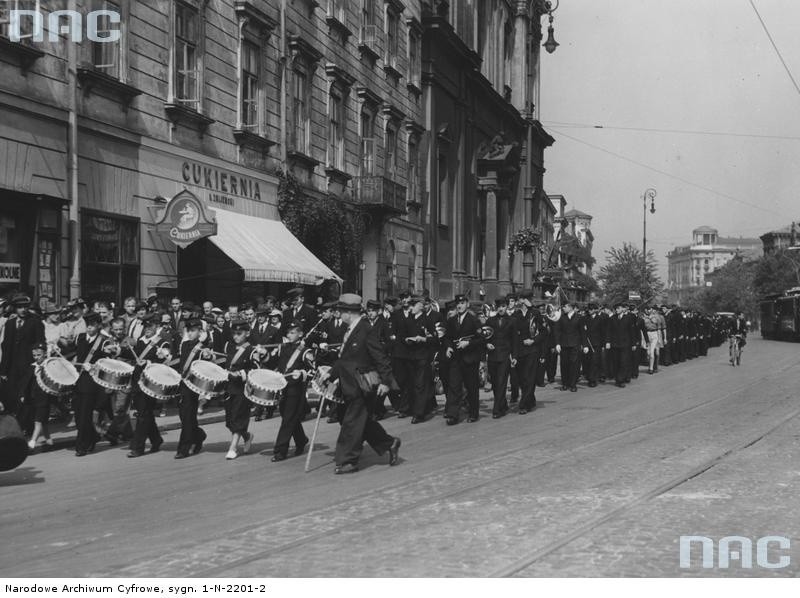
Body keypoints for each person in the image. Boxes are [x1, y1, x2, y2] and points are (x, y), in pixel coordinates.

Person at [318, 294, 400, 475]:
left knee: (352, 423)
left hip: (362, 385)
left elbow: (380, 357)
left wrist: (386, 382)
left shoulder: (366, 330)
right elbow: (344, 360)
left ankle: (348, 461)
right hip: (348, 385)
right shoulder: (349, 330)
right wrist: (329, 375)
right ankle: (389, 443)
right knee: (356, 421)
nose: (338, 314)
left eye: (340, 311)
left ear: (349, 312)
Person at [265, 321, 310, 462]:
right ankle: (301, 440)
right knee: (289, 416)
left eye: (293, 332)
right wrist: (263, 354)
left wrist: (302, 372)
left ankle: (280, 451)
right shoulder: (283, 348)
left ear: (300, 334)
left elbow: (312, 370)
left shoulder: (305, 351)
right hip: (283, 387)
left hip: (296, 389)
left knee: (287, 419)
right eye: (288, 332)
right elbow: (272, 362)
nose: (289, 335)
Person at [127, 313, 169, 457]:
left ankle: (137, 446)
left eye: (150, 326)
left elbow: (167, 362)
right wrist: (118, 350)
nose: (147, 329)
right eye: (145, 326)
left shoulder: (162, 342)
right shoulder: (140, 341)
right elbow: (134, 355)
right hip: (138, 381)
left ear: (157, 326)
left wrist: (149, 362)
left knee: (143, 414)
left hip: (151, 383)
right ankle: (156, 440)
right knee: (145, 413)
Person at [0, 294, 45, 425]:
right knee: (13, 395)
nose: (23, 310)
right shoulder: (9, 324)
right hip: (13, 367)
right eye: (19, 307)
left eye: (25, 307)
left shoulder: (35, 322)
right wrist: (3, 370)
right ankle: (18, 424)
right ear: (15, 309)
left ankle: (27, 425)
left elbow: (41, 343)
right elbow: (6, 347)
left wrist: (38, 362)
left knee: (27, 395)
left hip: (29, 365)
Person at [443, 294, 485, 425]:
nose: (460, 306)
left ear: (467, 304)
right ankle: (452, 415)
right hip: (456, 358)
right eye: (458, 304)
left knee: (471, 387)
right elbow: (447, 337)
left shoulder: (474, 320)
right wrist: (448, 347)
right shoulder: (452, 320)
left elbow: (481, 339)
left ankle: (473, 413)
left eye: (462, 303)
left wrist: (468, 343)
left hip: (470, 359)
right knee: (454, 386)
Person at [174, 317, 211, 459]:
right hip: (183, 384)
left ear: (200, 331)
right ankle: (199, 435)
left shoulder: (204, 347)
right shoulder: (184, 345)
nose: (190, 333)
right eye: (188, 330)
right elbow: (182, 363)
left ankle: (183, 448)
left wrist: (208, 354)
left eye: (193, 331)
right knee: (184, 416)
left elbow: (208, 363)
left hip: (195, 386)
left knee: (188, 416)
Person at [396, 295, 435, 424]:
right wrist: (407, 340)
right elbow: (401, 336)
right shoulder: (409, 320)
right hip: (410, 356)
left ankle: (419, 413)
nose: (410, 308)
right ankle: (418, 408)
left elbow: (435, 338)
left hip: (423, 356)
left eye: (413, 305)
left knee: (420, 385)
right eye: (409, 305)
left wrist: (423, 339)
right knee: (412, 384)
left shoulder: (427, 320)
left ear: (420, 306)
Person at [72, 312, 107, 456]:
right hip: (78, 380)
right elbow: (72, 353)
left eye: (92, 325)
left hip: (92, 383)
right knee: (78, 413)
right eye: (88, 325)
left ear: (99, 325)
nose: (89, 328)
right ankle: (93, 437)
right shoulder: (79, 338)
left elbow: (107, 364)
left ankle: (81, 446)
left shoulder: (104, 341)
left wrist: (94, 366)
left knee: (85, 415)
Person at [223, 319, 257, 460]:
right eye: (234, 333)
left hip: (243, 389)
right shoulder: (229, 347)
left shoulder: (252, 350)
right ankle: (247, 436)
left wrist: (241, 374)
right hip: (229, 387)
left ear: (247, 333)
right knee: (230, 419)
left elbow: (255, 369)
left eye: (239, 333)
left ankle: (233, 447)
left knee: (238, 416)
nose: (236, 336)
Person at [511, 291, 547, 414]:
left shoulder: (535, 313)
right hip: (519, 350)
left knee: (529, 377)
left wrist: (533, 341)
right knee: (521, 379)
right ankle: (530, 400)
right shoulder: (516, 315)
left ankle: (524, 405)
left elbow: (544, 332)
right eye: (523, 299)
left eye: (528, 299)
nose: (526, 301)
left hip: (532, 350)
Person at [20, 342, 53, 450]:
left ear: (44, 354)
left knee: (38, 421)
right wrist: (23, 395)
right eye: (34, 355)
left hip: (44, 398)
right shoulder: (32, 367)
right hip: (33, 398)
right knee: (43, 421)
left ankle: (32, 442)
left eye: (39, 355)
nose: (36, 357)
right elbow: (26, 383)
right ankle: (49, 442)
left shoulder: (48, 367)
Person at [486, 298, 514, 418]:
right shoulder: (490, 320)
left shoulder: (512, 321)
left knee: (502, 382)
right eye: (499, 307)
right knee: (495, 383)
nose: (501, 309)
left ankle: (497, 409)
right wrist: (486, 344)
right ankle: (503, 404)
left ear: (506, 307)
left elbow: (515, 340)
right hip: (492, 356)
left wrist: (514, 356)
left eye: (503, 306)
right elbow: (484, 335)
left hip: (505, 356)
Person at [554, 300, 588, 392]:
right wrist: (557, 343)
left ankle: (573, 384)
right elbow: (557, 331)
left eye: (564, 307)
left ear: (570, 307)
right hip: (564, 344)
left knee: (574, 365)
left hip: (575, 345)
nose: (563, 308)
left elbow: (583, 333)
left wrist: (585, 345)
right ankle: (565, 384)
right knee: (564, 365)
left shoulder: (579, 317)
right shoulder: (561, 318)